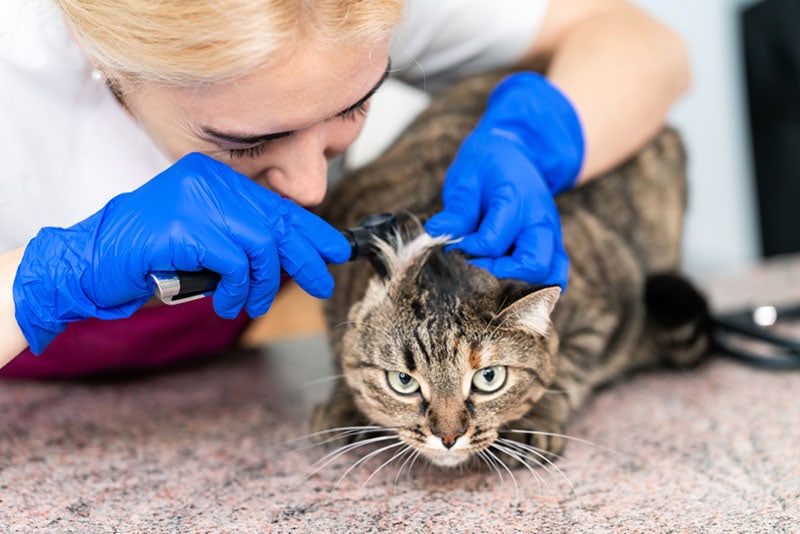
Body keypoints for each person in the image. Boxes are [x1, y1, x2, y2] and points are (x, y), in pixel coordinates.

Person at [0, 0, 690, 378]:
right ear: (100, 56)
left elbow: (644, 43)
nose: (312, 185)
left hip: (223, 390)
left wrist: (541, 138)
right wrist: (49, 279)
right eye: (243, 141)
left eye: (351, 106)